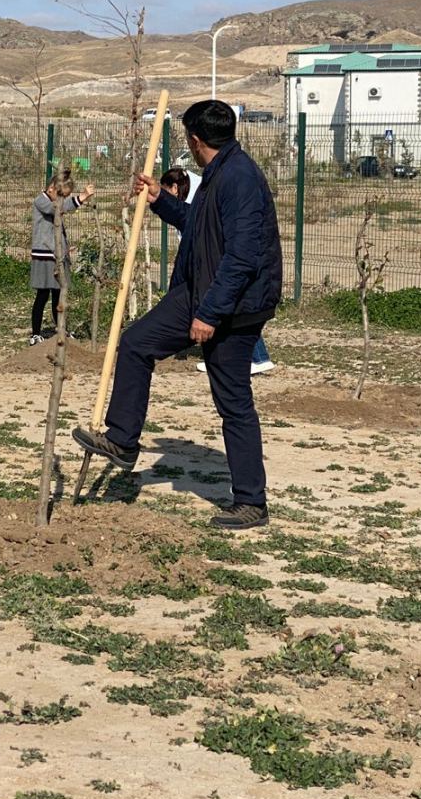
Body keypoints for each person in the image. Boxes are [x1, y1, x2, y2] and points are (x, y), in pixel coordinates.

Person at [72, 100, 281, 531]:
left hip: (231, 305)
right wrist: (159, 201)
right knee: (135, 344)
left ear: (195, 139)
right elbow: (200, 226)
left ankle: (250, 503)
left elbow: (241, 258)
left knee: (234, 403)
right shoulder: (221, 172)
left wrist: (210, 314)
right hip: (201, 290)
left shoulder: (239, 179)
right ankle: (122, 440)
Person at [171, 166, 276, 377]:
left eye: (167, 190)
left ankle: (252, 359)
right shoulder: (205, 191)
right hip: (225, 268)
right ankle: (255, 358)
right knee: (233, 313)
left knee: (226, 309)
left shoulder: (215, 190)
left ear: (174, 187)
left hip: (222, 268)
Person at [29, 171, 93, 345]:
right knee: (42, 295)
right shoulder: (41, 200)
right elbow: (55, 209)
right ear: (51, 189)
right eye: (62, 195)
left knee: (58, 295)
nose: (62, 199)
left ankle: (61, 329)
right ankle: (35, 333)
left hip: (58, 255)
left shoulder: (52, 199)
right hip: (44, 255)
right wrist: (81, 198)